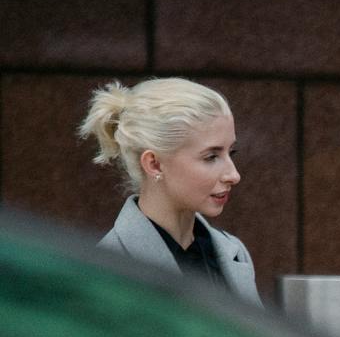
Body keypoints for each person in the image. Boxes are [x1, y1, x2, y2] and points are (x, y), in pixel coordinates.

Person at [78, 77, 261, 303]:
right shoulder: (108, 270)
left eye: (230, 153)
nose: (234, 175)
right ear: (154, 163)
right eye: (211, 157)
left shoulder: (234, 253)